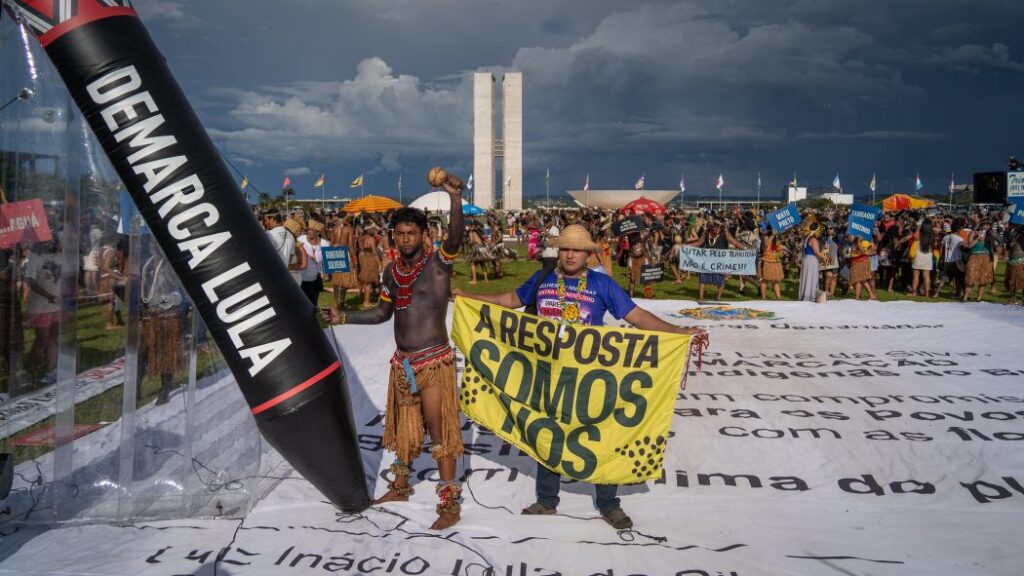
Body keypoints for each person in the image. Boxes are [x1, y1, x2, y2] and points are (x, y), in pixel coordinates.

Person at [452, 223, 706, 530]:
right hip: (548, 375)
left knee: (600, 436)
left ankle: (609, 504)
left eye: (577, 250)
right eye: (566, 248)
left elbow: (636, 317)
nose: (570, 255)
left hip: (590, 380)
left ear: (588, 255)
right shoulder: (543, 278)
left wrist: (678, 331)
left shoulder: (602, 285)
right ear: (559, 251)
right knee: (547, 432)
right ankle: (547, 501)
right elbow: (511, 300)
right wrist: (467, 296)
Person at [324, 171, 466, 530]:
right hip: (402, 362)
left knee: (439, 429)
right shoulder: (390, 274)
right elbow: (381, 313)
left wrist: (453, 196)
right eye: (400, 233)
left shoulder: (437, 267)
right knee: (404, 426)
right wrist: (345, 316)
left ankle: (449, 502)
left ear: (424, 235)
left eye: (411, 233)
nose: (405, 239)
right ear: (394, 237)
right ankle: (401, 485)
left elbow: (456, 237)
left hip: (433, 361)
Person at [330, 215, 361, 309]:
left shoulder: (334, 229)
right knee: (344, 280)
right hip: (345, 254)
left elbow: (331, 244)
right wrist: (354, 258)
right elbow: (351, 245)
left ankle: (336, 302)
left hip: (334, 253)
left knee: (336, 280)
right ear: (347, 219)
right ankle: (340, 304)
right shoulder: (349, 229)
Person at [298, 220, 329, 306]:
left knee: (314, 299)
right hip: (302, 275)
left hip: (316, 275)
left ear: (317, 232)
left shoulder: (324, 243)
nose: (309, 232)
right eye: (308, 230)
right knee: (302, 298)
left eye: (312, 231)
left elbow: (320, 259)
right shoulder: (301, 239)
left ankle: (313, 315)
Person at [798, 220, 826, 302]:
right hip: (812, 260)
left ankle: (805, 295)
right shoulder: (813, 239)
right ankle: (810, 296)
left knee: (806, 277)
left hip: (806, 258)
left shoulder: (807, 238)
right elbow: (817, 252)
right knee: (811, 278)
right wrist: (825, 258)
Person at [1005, 224, 1024, 305]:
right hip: (1012, 262)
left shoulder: (1022, 237)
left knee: (1022, 281)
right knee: (1011, 281)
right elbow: (1008, 247)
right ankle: (1012, 298)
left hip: (1021, 262)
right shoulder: (1013, 235)